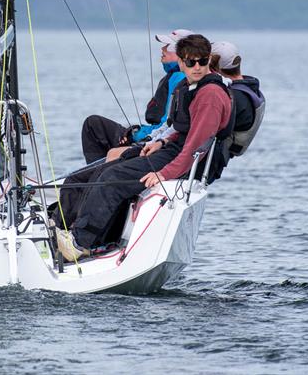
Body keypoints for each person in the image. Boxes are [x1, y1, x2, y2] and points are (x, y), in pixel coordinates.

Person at [57, 34, 232, 261]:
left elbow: (195, 146)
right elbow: (183, 127)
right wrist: (161, 141)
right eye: (190, 62)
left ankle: (80, 244)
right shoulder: (188, 85)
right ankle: (74, 230)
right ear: (181, 62)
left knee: (114, 178)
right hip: (173, 150)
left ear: (209, 60)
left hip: (187, 162)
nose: (196, 67)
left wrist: (163, 174)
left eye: (202, 61)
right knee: (100, 172)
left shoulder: (210, 95)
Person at [80, 29, 191, 163]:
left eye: (167, 46)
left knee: (92, 125)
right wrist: (135, 131)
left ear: (182, 53)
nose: (162, 49)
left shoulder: (180, 79)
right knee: (95, 123)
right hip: (153, 136)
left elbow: (169, 126)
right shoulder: (175, 76)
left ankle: (94, 174)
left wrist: (137, 136)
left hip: (157, 144)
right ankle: (96, 170)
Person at [210, 41, 265, 159]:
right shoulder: (250, 87)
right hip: (226, 153)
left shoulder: (234, 96)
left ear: (213, 67)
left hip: (214, 157)